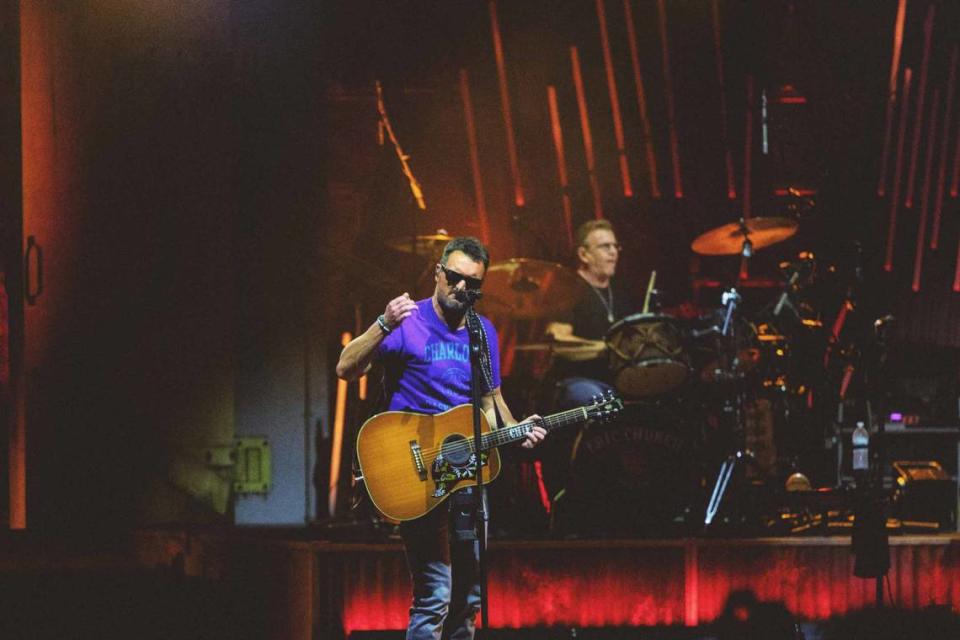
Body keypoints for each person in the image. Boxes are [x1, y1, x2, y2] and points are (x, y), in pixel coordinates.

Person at [336, 236, 546, 640]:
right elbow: (346, 369)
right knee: (435, 595)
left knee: (468, 599)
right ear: (438, 273)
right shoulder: (407, 321)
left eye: (473, 283)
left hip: (467, 470)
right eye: (454, 277)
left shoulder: (482, 332)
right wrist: (382, 324)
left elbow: (491, 401)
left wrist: (518, 430)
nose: (462, 288)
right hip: (418, 469)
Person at [545, 219, 634, 408]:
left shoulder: (621, 291)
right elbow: (559, 341)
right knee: (598, 399)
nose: (613, 252)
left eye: (615, 246)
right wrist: (604, 348)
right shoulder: (568, 289)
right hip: (577, 380)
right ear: (584, 254)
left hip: (617, 379)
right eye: (604, 246)